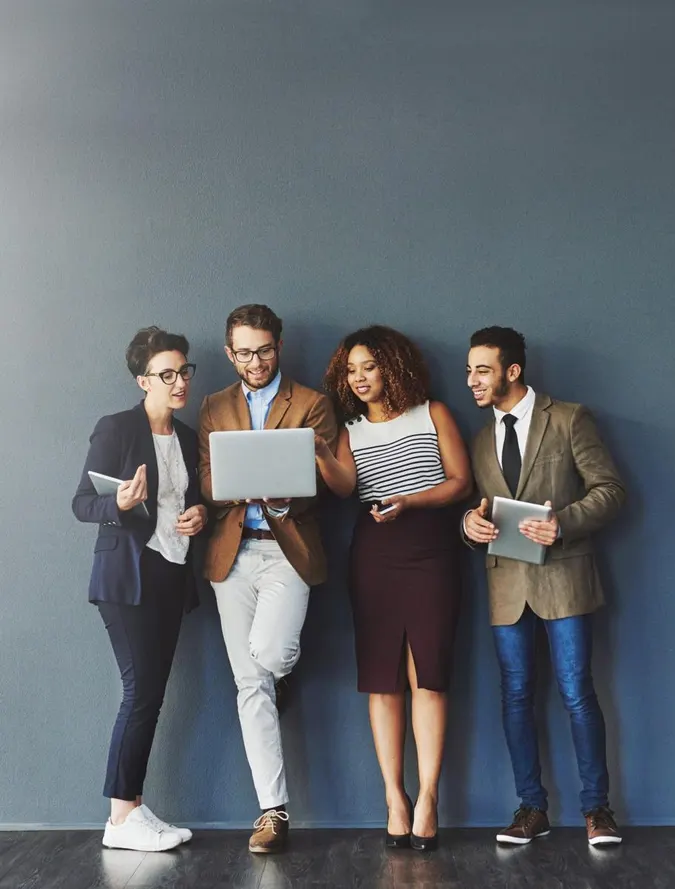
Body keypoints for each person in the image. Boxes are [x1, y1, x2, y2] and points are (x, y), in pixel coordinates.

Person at [462, 326, 625, 846]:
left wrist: (565, 523)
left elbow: (612, 491)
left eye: (481, 370)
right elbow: (480, 508)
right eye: (468, 370)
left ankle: (597, 810)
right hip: (507, 584)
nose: (471, 380)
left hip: (565, 578)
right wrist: (469, 526)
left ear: (513, 371)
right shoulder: (479, 437)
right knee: (515, 697)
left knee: (578, 694)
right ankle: (531, 808)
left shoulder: (570, 418)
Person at [317, 325, 471, 851]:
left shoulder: (433, 413)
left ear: (394, 367)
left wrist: (410, 502)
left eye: (370, 367)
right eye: (352, 369)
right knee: (382, 677)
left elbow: (460, 483)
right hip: (374, 552)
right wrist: (321, 452)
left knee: (427, 672)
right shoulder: (351, 429)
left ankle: (429, 797)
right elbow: (344, 489)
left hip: (430, 548)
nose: (360, 378)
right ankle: (394, 798)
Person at [198, 304, 338, 854]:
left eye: (264, 349)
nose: (255, 361)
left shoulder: (311, 403)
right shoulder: (214, 406)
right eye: (244, 352)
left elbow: (322, 486)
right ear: (230, 353)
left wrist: (286, 494)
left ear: (278, 347)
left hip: (288, 551)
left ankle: (282, 672)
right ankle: (272, 812)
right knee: (249, 686)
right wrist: (242, 487)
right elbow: (209, 483)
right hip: (232, 556)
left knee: (270, 658)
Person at [72, 327, 207, 852]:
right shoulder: (118, 428)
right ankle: (121, 817)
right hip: (126, 578)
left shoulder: (190, 437)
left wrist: (200, 514)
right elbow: (83, 503)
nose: (179, 382)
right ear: (142, 380)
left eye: (184, 372)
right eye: (167, 374)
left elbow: (189, 504)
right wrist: (120, 505)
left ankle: (131, 808)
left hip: (173, 574)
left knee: (150, 695)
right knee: (139, 694)